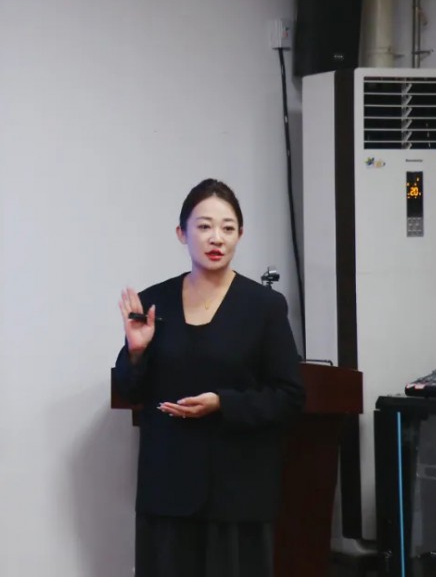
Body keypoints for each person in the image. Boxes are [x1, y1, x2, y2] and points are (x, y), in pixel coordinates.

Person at [112, 178, 305, 577]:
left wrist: (223, 403)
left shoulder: (264, 306)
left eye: (227, 228)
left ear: (240, 235)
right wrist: (136, 350)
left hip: (238, 492)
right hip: (167, 490)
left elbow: (289, 396)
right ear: (182, 233)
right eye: (204, 226)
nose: (216, 237)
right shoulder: (155, 302)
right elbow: (129, 391)